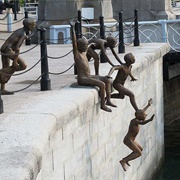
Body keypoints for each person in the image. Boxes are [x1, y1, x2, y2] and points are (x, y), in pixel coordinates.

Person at [69, 21, 116, 112]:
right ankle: (102, 105)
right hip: (83, 78)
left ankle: (108, 100)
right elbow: (74, 42)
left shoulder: (84, 52)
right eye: (85, 46)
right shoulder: (77, 54)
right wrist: (72, 29)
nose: (87, 47)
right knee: (102, 84)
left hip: (89, 76)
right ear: (79, 46)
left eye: (87, 45)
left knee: (107, 79)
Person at [0, 17, 36, 95]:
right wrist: (15, 62)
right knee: (23, 65)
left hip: (4, 48)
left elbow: (25, 37)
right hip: (8, 50)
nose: (34, 26)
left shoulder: (20, 31)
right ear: (29, 26)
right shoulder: (22, 34)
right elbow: (17, 48)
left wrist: (33, 33)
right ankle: (2, 73)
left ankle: (2, 89)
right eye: (34, 25)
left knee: (6, 68)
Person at [120, 99, 155, 171]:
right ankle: (123, 161)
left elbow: (142, 111)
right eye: (145, 115)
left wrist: (148, 105)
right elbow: (143, 123)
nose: (146, 115)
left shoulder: (138, 118)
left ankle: (127, 159)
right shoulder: (135, 121)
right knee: (139, 153)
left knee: (140, 149)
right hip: (128, 140)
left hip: (132, 139)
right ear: (139, 116)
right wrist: (149, 120)